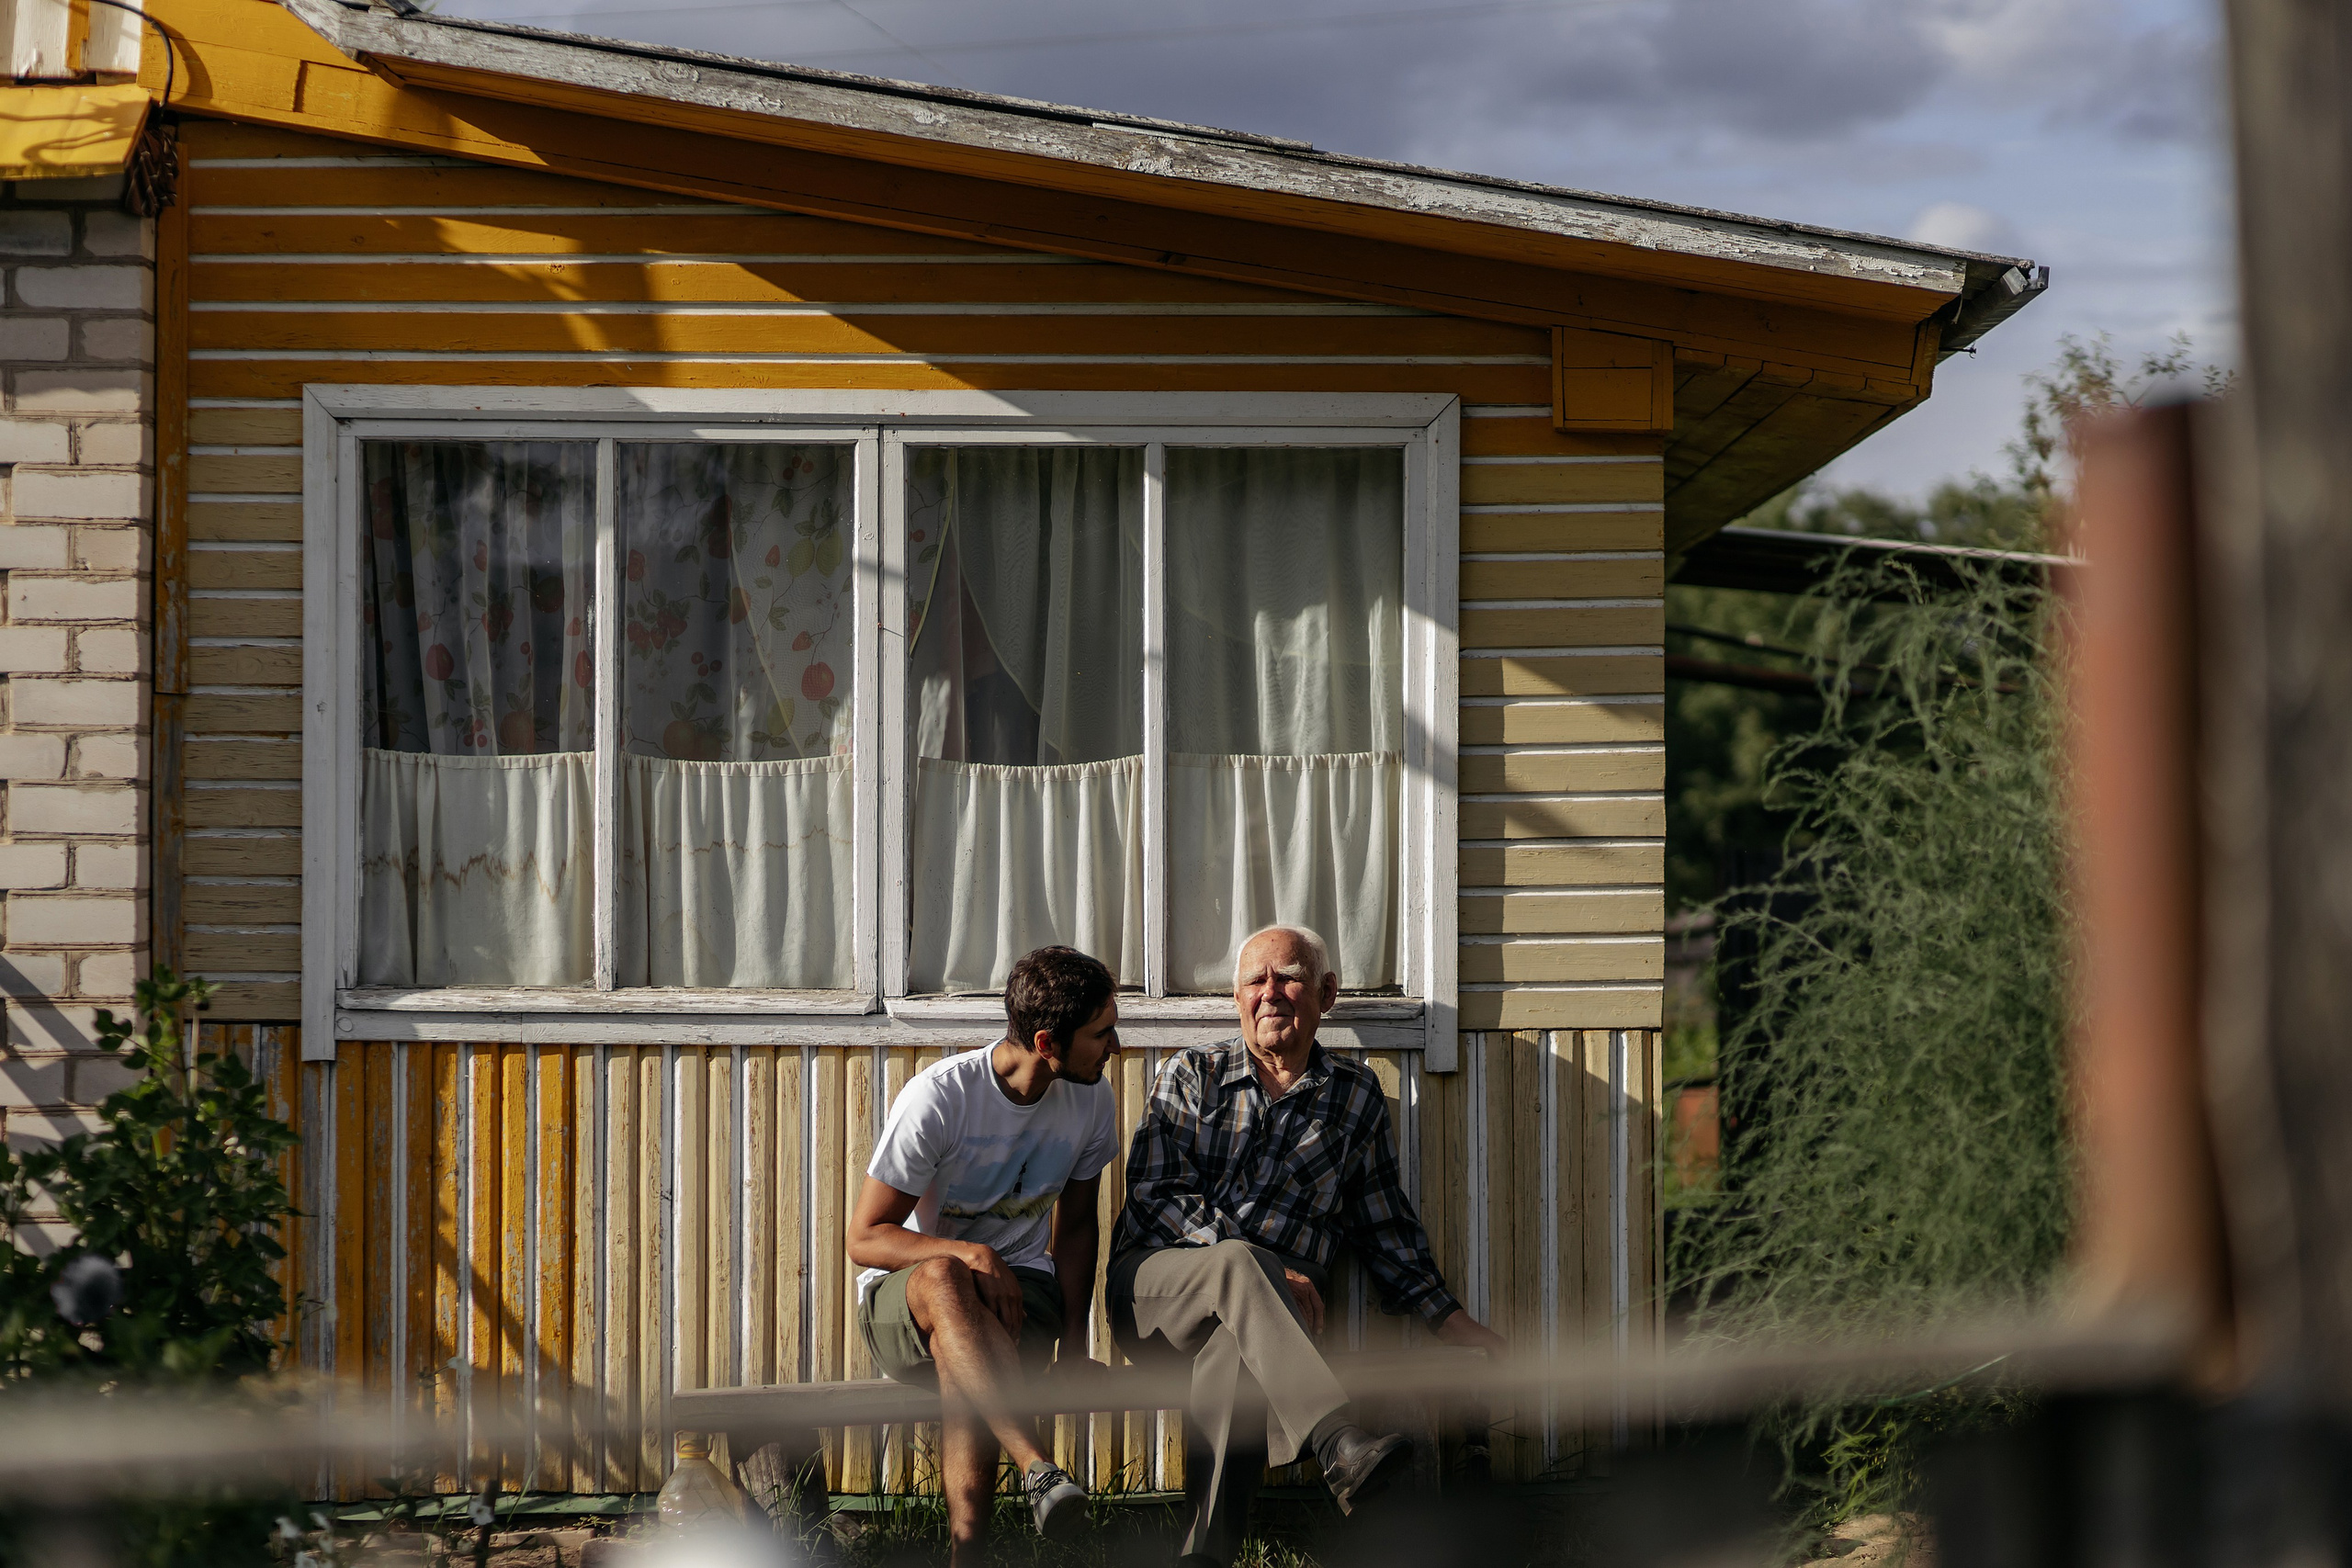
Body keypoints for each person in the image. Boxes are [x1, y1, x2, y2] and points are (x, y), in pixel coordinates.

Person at [1109, 924, 1507, 1566]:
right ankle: (1336, 1441)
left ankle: (1203, 1554)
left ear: (1326, 992)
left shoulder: (1353, 1096)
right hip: (1158, 1293)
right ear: (1236, 999)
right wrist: (1259, 1268)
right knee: (1240, 1266)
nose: (1271, 993)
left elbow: (1384, 1224)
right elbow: (1157, 1196)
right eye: (1255, 981)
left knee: (1233, 1351)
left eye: (1288, 976)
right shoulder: (1191, 1074)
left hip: (1266, 1323)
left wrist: (1450, 1319)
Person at [846, 945, 1124, 1566]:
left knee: (964, 1344)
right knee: (948, 1280)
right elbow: (865, 1236)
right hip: (908, 1307)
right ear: (1048, 1040)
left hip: (1021, 1298)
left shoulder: (1092, 1101)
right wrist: (970, 1253)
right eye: (1101, 1033)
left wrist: (1076, 1346)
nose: (1114, 1046)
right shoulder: (941, 1098)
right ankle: (1037, 1467)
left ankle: (967, 1553)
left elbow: (1076, 1230)